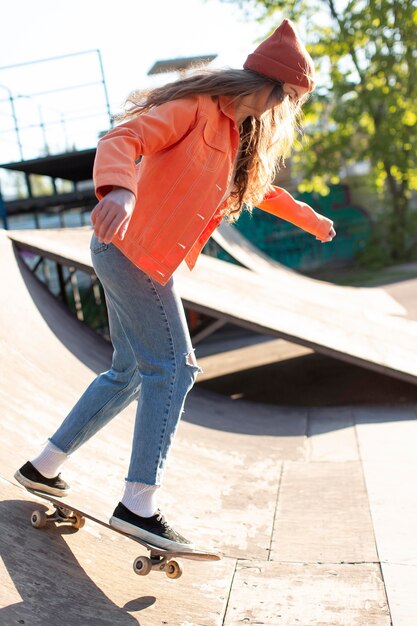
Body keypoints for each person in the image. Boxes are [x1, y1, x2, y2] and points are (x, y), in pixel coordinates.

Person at [15, 19, 335, 551]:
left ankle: (42, 466)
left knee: (128, 373)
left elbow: (262, 192)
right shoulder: (197, 108)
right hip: (130, 250)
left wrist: (310, 218)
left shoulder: (242, 133)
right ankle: (137, 504)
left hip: (141, 258)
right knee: (175, 368)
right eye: (291, 98)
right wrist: (118, 189)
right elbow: (125, 137)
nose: (287, 111)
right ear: (273, 87)